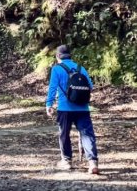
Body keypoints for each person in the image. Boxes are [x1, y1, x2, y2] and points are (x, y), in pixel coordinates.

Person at [45, 45, 99, 175]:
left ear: (58, 56)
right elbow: (90, 87)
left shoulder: (57, 69)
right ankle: (92, 163)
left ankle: (67, 161)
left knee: (64, 134)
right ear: (70, 55)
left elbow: (52, 87)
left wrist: (49, 104)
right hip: (83, 107)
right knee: (87, 135)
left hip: (64, 108)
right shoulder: (81, 68)